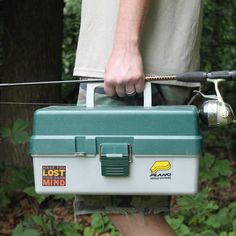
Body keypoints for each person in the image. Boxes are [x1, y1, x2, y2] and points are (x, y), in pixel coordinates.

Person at [73, 0, 203, 235]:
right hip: (133, 65)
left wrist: (126, 48)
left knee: (127, 208)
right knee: (126, 207)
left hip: (131, 69)